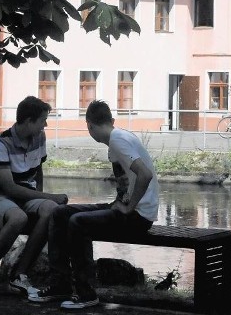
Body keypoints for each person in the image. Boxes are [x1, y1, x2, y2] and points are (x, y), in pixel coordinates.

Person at [29, 100, 160, 310]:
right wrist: (121, 201)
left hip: (139, 217)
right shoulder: (117, 139)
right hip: (129, 211)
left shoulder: (118, 141)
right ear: (112, 120)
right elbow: (123, 182)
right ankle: (60, 285)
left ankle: (86, 292)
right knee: (60, 214)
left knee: (78, 222)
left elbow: (145, 175)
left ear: (89, 125)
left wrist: (128, 207)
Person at [0, 96, 69, 299]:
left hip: (27, 195)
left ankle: (20, 274)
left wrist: (44, 200)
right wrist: (49, 196)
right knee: (19, 218)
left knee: (52, 210)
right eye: (43, 120)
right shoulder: (0, 143)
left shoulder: (40, 138)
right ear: (29, 121)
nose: (45, 124)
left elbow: (38, 171)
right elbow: (9, 188)